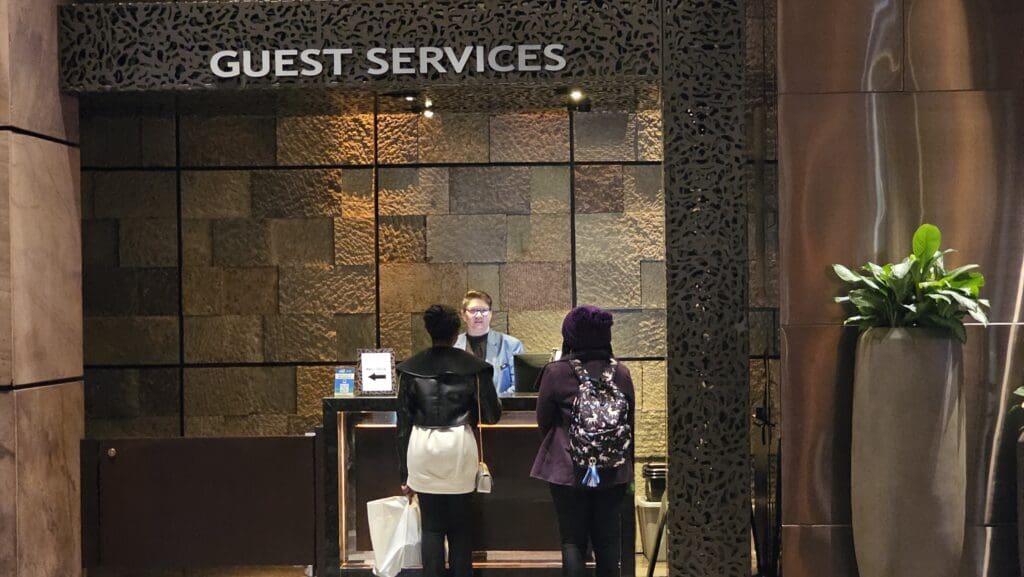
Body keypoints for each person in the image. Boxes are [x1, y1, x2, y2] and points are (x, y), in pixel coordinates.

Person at [396, 304, 502, 577]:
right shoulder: (476, 368)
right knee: (460, 527)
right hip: (459, 447)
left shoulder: (410, 369)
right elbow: (491, 415)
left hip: (421, 447)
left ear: (429, 331)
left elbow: (403, 423)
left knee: (430, 527)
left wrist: (403, 473)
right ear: (457, 333)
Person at [530, 305, 635, 577]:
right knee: (608, 542)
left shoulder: (555, 372)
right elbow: (630, 422)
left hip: (568, 470)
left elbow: (544, 420)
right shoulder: (621, 373)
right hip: (612, 471)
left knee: (573, 540)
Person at [454, 289, 524, 395]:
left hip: (501, 409)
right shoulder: (453, 346)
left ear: (491, 314)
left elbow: (519, 386)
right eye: (473, 311)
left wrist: (493, 404)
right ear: (463, 315)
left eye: (483, 310)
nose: (478, 315)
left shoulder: (512, 345)